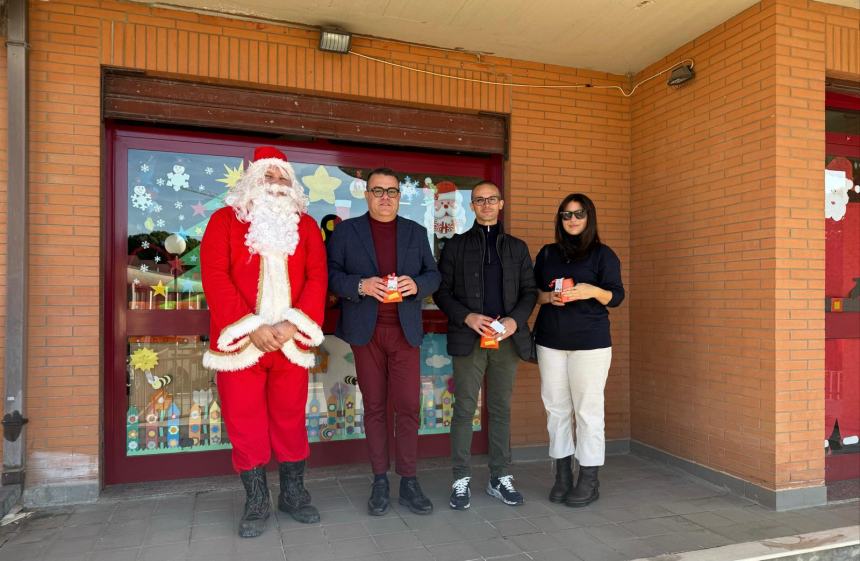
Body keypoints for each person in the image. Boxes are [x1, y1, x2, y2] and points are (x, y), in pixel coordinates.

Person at [201, 146, 327, 538]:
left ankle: (292, 493)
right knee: (245, 423)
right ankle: (256, 502)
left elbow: (317, 278)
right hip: (242, 345)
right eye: (267, 176)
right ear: (252, 180)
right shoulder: (224, 221)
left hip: (290, 343)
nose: (275, 185)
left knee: (290, 421)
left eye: (281, 177)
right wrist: (250, 326)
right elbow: (215, 276)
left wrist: (293, 325)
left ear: (292, 184)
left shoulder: (306, 226)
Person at [327, 168, 441, 516]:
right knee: (375, 407)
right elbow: (330, 274)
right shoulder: (347, 232)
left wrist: (417, 286)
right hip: (366, 332)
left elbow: (433, 274)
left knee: (407, 407)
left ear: (399, 196)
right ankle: (379, 480)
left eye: (392, 191)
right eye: (378, 191)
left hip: (405, 332)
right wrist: (361, 286)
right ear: (367, 194)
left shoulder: (416, 232)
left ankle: (408, 480)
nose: (385, 197)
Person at [433, 181, 537, 510]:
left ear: (501, 203)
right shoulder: (456, 247)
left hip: (506, 340)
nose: (487, 205)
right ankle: (460, 478)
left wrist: (514, 321)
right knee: (465, 409)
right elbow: (442, 292)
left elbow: (530, 291)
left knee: (501, 409)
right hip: (470, 338)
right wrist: (467, 317)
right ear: (472, 206)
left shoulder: (517, 248)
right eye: (480, 200)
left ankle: (499, 477)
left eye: (492, 199)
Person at [532, 193, 624, 508]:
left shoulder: (603, 255)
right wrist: (548, 298)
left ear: (589, 217)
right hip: (551, 342)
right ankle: (562, 477)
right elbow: (534, 293)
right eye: (566, 215)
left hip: (590, 344)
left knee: (587, 411)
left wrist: (591, 290)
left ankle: (589, 479)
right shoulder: (547, 254)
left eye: (578, 214)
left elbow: (616, 296)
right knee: (556, 410)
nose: (572, 220)